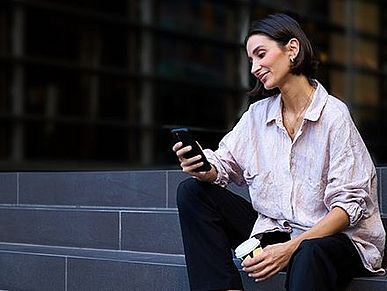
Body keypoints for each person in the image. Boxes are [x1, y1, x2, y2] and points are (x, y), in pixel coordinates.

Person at [172, 13, 385, 291]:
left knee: (309, 252)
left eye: (261, 55)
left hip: (334, 238)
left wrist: (289, 249)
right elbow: (225, 163)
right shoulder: (257, 115)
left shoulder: (334, 115)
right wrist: (202, 165)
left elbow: (348, 208)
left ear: (292, 49)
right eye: (251, 60)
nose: (254, 68)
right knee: (192, 192)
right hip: (277, 230)